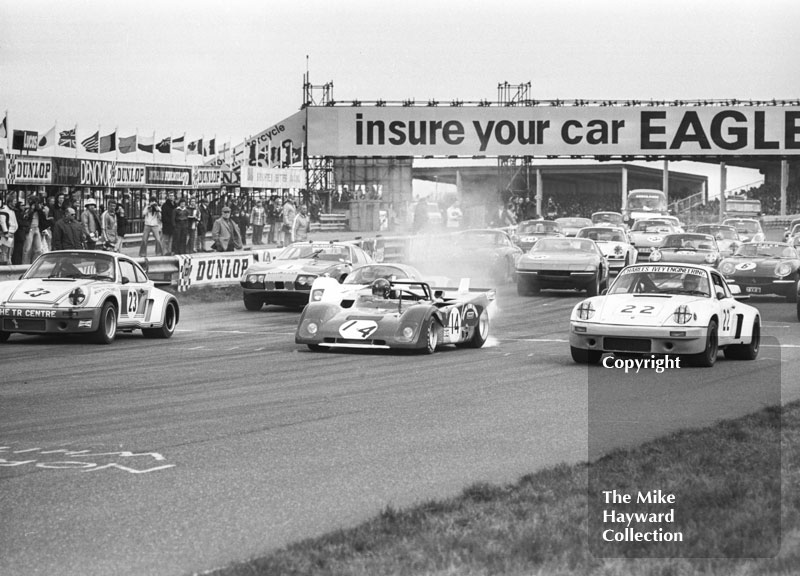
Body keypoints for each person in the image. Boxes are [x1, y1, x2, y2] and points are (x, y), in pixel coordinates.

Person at [21, 195, 50, 263]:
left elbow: (43, 219)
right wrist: (31, 209)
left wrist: (39, 209)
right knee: (27, 249)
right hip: (30, 228)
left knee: (38, 249)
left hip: (37, 228)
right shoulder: (28, 210)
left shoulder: (39, 210)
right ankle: (25, 264)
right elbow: (25, 218)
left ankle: (34, 264)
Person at [0, 193, 18, 265]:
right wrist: (5, 232)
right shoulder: (4, 209)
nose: (15, 202)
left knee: (9, 251)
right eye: (14, 201)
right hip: (7, 234)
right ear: (10, 202)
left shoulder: (12, 210)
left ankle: (7, 265)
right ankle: (3, 267)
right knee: (5, 251)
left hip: (11, 233)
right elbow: (2, 222)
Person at [160, 191, 176, 255]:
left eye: (172, 196)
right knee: (165, 239)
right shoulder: (165, 205)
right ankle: (164, 251)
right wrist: (169, 221)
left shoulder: (175, 205)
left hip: (173, 225)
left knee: (171, 239)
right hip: (167, 225)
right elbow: (163, 216)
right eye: (170, 196)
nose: (172, 197)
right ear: (168, 197)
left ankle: (170, 250)